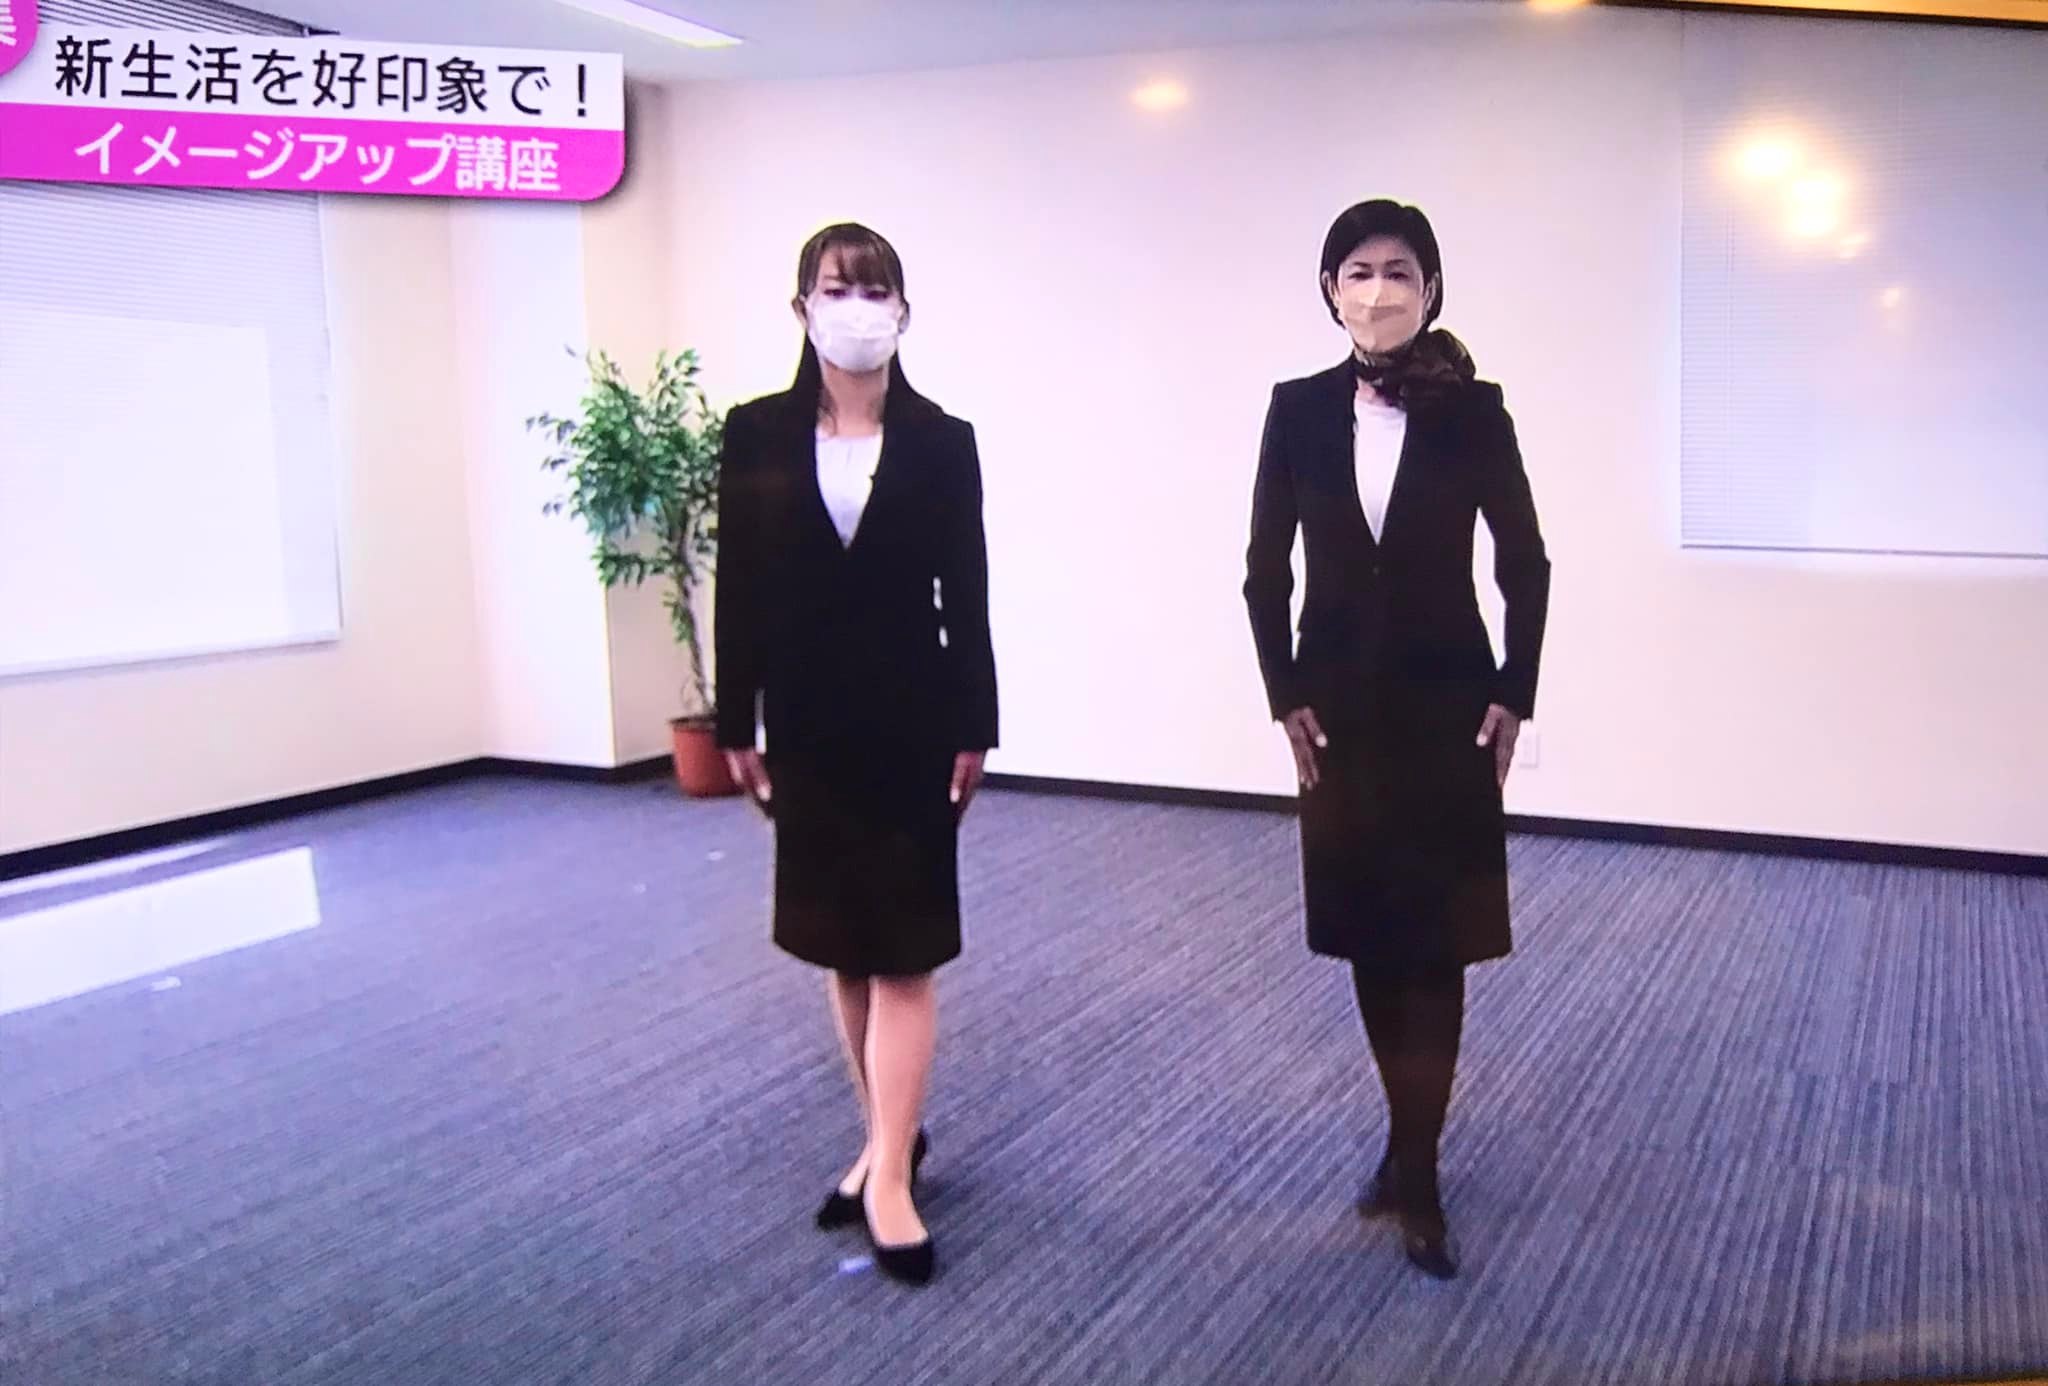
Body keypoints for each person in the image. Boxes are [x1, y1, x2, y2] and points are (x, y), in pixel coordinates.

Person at [1242, 199, 1551, 1280]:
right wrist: (1282, 693)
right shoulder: (1295, 409)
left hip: (1446, 709)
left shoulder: (1475, 412)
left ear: (1431, 290)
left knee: (1436, 942)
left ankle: (1416, 1170)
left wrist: (1515, 689)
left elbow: (1524, 562)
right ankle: (1404, 1136)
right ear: (1329, 289)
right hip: (1336, 715)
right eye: (1359, 272)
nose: (1379, 292)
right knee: (1372, 939)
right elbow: (1263, 570)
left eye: (1401, 273)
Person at [714, 223, 998, 1287]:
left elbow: (966, 591)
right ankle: (890, 1138)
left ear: (903, 311)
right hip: (808, 721)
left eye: (875, 290)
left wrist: (975, 723)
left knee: (904, 948)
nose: (857, 308)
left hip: (912, 717)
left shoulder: (942, 440)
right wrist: (735, 720)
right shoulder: (754, 433)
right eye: (836, 289)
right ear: (802, 308)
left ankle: (888, 1182)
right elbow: (738, 588)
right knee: (842, 943)